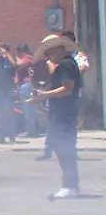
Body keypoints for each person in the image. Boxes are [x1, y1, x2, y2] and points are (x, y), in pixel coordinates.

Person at [29, 34, 82, 199]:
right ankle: (69, 184)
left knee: (65, 149)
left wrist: (44, 95)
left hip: (65, 113)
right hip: (61, 112)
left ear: (58, 48)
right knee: (61, 148)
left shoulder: (66, 65)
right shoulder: (64, 65)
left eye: (49, 51)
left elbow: (67, 88)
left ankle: (70, 185)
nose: (48, 56)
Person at [0, 41, 18, 145]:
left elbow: (15, 65)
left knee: (9, 114)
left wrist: (6, 54)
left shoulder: (8, 60)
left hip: (8, 89)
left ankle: (12, 137)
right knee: (0, 115)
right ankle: (0, 137)